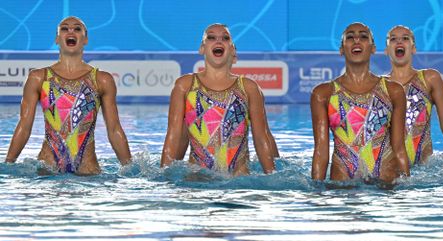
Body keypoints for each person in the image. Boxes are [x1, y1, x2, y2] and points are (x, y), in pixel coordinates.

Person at [4, 16, 131, 175]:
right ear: (57, 39)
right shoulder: (38, 77)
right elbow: (24, 126)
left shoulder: (102, 80)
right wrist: (7, 165)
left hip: (87, 170)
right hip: (48, 168)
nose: (71, 31)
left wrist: (131, 169)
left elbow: (114, 129)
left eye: (77, 29)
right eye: (65, 28)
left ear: (85, 39)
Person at [161, 23, 275, 175]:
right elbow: (173, 136)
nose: (218, 41)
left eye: (225, 38)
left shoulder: (248, 88)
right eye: (211, 37)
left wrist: (272, 176)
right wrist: (164, 176)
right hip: (198, 179)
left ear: (233, 51)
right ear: (202, 48)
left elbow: (261, 138)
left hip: (239, 180)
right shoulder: (186, 85)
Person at [310, 22, 409, 183]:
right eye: (350, 37)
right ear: (342, 49)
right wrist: (316, 191)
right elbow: (321, 151)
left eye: (363, 37)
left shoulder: (393, 91)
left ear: (373, 48)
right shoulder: (323, 93)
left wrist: (408, 190)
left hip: (386, 189)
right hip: (342, 187)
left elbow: (399, 148)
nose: (356, 40)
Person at [384, 25, 443, 165]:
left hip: (424, 167)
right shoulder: (380, 85)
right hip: (391, 167)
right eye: (393, 39)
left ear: (413, 48)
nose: (399, 42)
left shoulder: (430, 78)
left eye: (405, 38)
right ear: (386, 50)